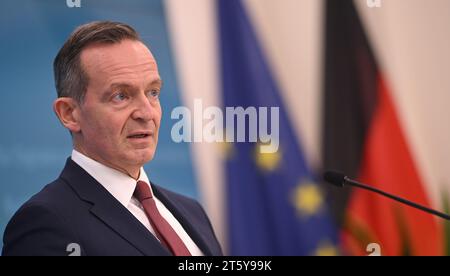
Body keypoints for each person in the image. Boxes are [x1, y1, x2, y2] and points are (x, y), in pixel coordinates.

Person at [2, 21, 222, 256]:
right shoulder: (45, 222)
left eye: (153, 92)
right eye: (121, 96)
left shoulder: (192, 211)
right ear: (69, 113)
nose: (146, 113)